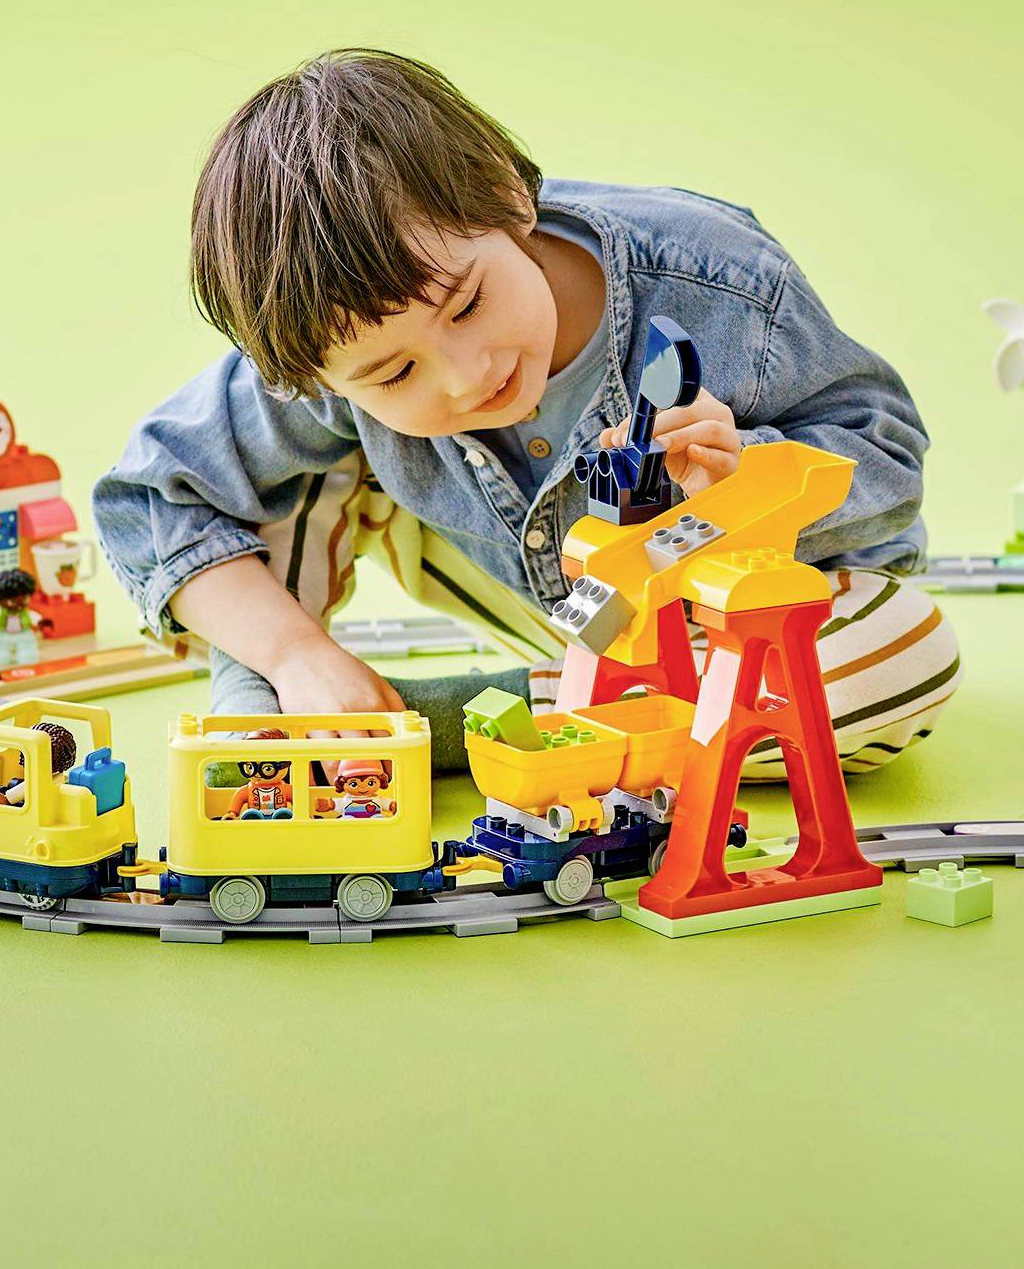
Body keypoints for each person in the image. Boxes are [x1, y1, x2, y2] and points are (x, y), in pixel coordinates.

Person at [93, 50, 958, 774]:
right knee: (277, 478)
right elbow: (154, 496)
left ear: (508, 200)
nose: (467, 378)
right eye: (396, 371)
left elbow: (886, 451)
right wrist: (292, 655)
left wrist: (748, 478)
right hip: (540, 589)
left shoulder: (724, 288)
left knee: (903, 655)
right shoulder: (325, 355)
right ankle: (282, 709)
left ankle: (466, 720)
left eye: (468, 306)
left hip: (723, 615)